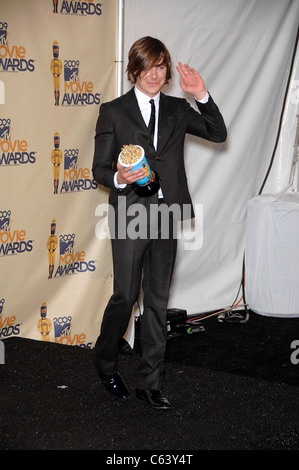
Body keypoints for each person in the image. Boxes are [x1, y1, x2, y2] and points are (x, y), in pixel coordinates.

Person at [92, 36, 227, 410]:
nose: (154, 74)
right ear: (134, 69)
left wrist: (201, 95)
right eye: (147, 66)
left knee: (157, 302)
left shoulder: (177, 109)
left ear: (167, 70)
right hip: (131, 213)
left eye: (160, 66)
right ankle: (104, 360)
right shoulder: (114, 111)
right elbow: (99, 170)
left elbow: (218, 134)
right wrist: (121, 177)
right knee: (125, 295)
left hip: (166, 214)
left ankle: (149, 381)